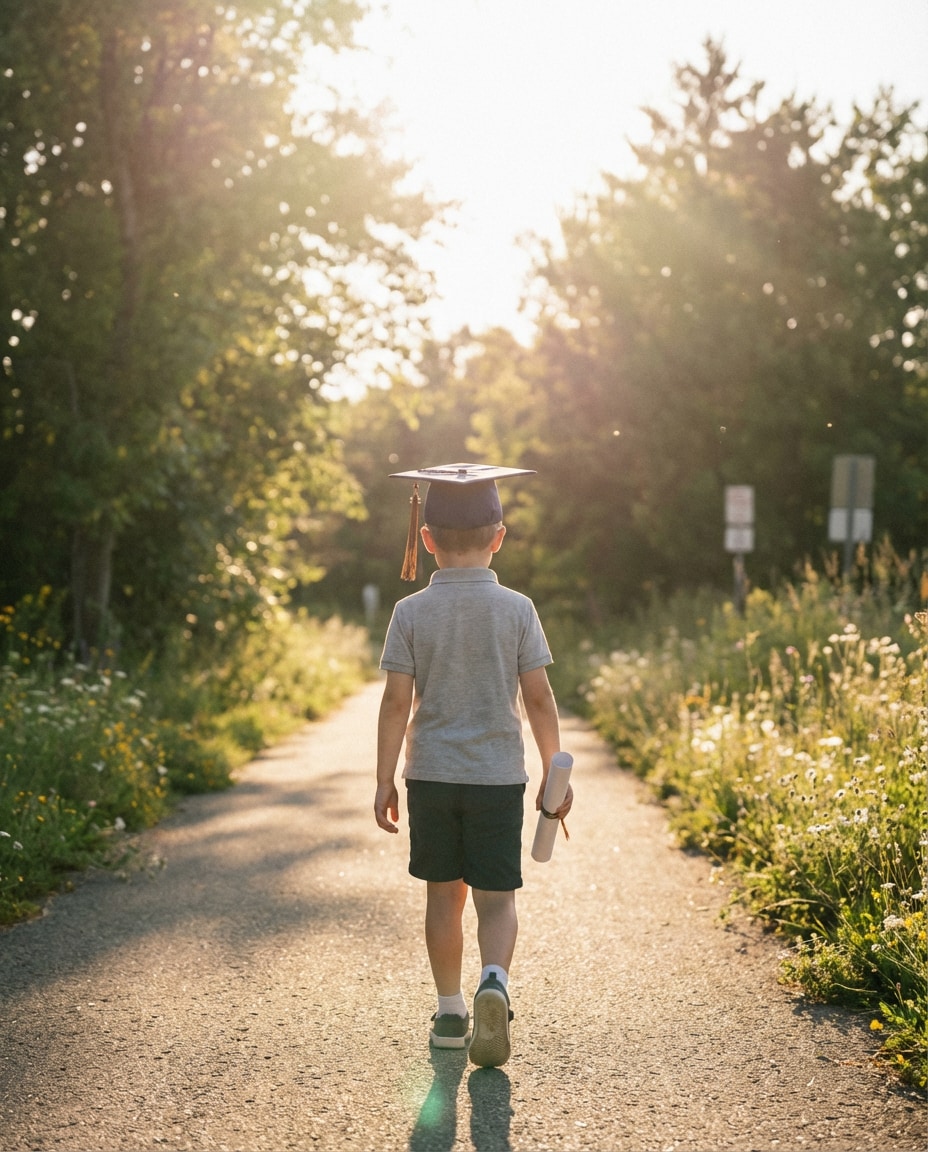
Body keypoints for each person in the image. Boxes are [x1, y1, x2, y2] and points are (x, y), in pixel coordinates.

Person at [374, 463, 573, 1068]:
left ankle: (450, 1011)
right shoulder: (517, 609)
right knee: (496, 899)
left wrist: (384, 778)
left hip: (431, 777)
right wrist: (554, 770)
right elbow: (538, 697)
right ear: (499, 537)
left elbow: (395, 702)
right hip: (496, 778)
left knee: (443, 899)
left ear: (426, 538)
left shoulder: (410, 612)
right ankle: (495, 982)